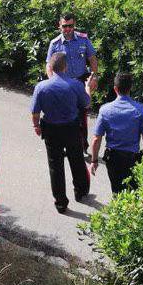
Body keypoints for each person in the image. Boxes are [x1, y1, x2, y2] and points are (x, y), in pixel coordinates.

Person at [31, 52, 91, 213]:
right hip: (71, 128)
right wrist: (87, 88)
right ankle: (81, 192)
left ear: (50, 67)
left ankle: (61, 202)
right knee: (76, 160)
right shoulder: (75, 85)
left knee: (55, 166)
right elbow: (86, 103)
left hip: (50, 129)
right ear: (66, 67)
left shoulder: (41, 87)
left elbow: (35, 113)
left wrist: (36, 126)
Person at [90, 71, 143, 193]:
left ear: (115, 89)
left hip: (113, 159)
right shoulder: (140, 110)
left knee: (117, 191)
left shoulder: (105, 110)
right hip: (132, 159)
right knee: (134, 192)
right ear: (131, 88)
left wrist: (94, 161)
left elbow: (96, 139)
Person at [46, 12, 99, 156]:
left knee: (81, 115)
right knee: (63, 116)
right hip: (62, 83)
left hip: (80, 81)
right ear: (59, 26)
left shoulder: (83, 39)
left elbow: (92, 59)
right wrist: (53, 83)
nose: (68, 29)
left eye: (70, 26)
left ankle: (82, 148)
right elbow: (49, 66)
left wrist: (94, 77)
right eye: (65, 26)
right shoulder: (55, 44)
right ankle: (64, 147)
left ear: (74, 25)